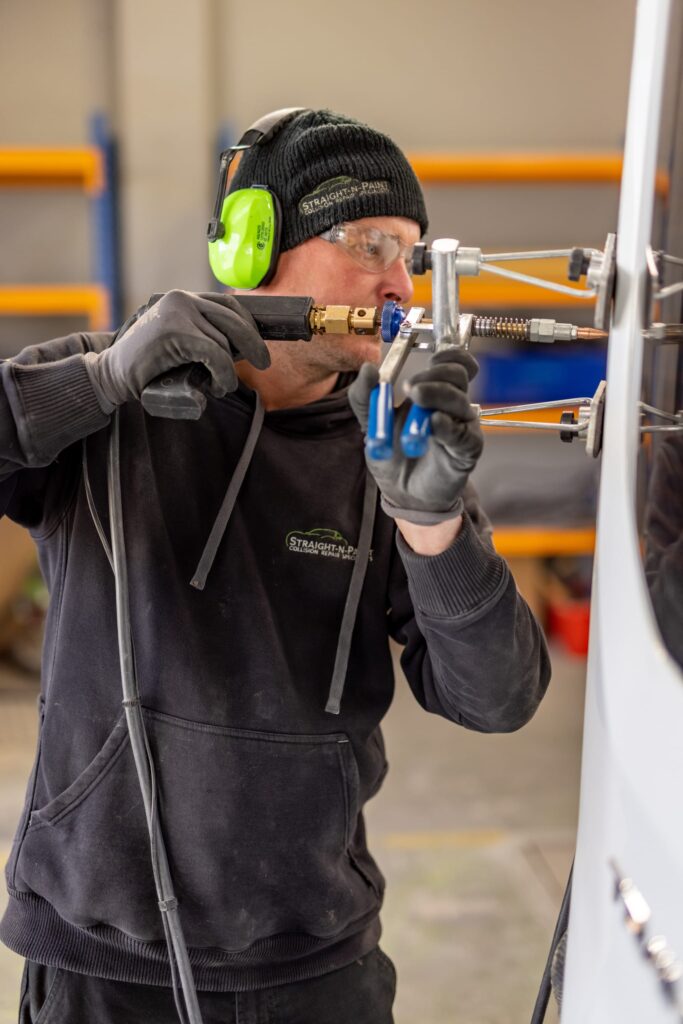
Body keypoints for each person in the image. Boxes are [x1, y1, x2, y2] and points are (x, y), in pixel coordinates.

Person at [0, 108, 551, 1023]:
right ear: (255, 248)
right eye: (370, 243)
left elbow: (497, 699)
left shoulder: (395, 452)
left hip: (314, 962)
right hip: (107, 961)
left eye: (410, 256)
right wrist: (97, 384)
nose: (396, 284)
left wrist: (432, 523)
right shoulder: (115, 391)